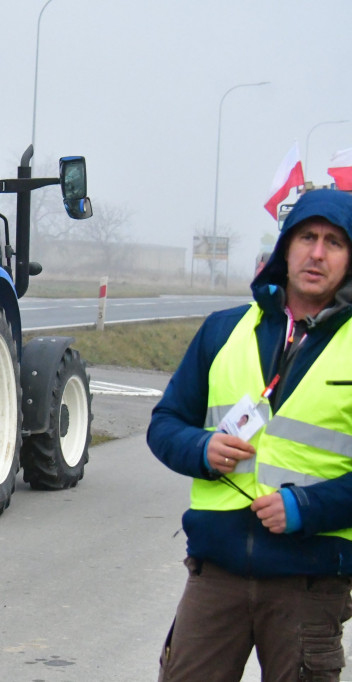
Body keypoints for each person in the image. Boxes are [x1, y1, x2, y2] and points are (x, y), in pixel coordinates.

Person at [148, 188, 352, 682]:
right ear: (286, 247)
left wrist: (309, 507)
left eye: (334, 242)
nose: (317, 253)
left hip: (309, 584)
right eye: (307, 237)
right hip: (215, 576)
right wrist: (201, 448)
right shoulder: (223, 331)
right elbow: (165, 423)